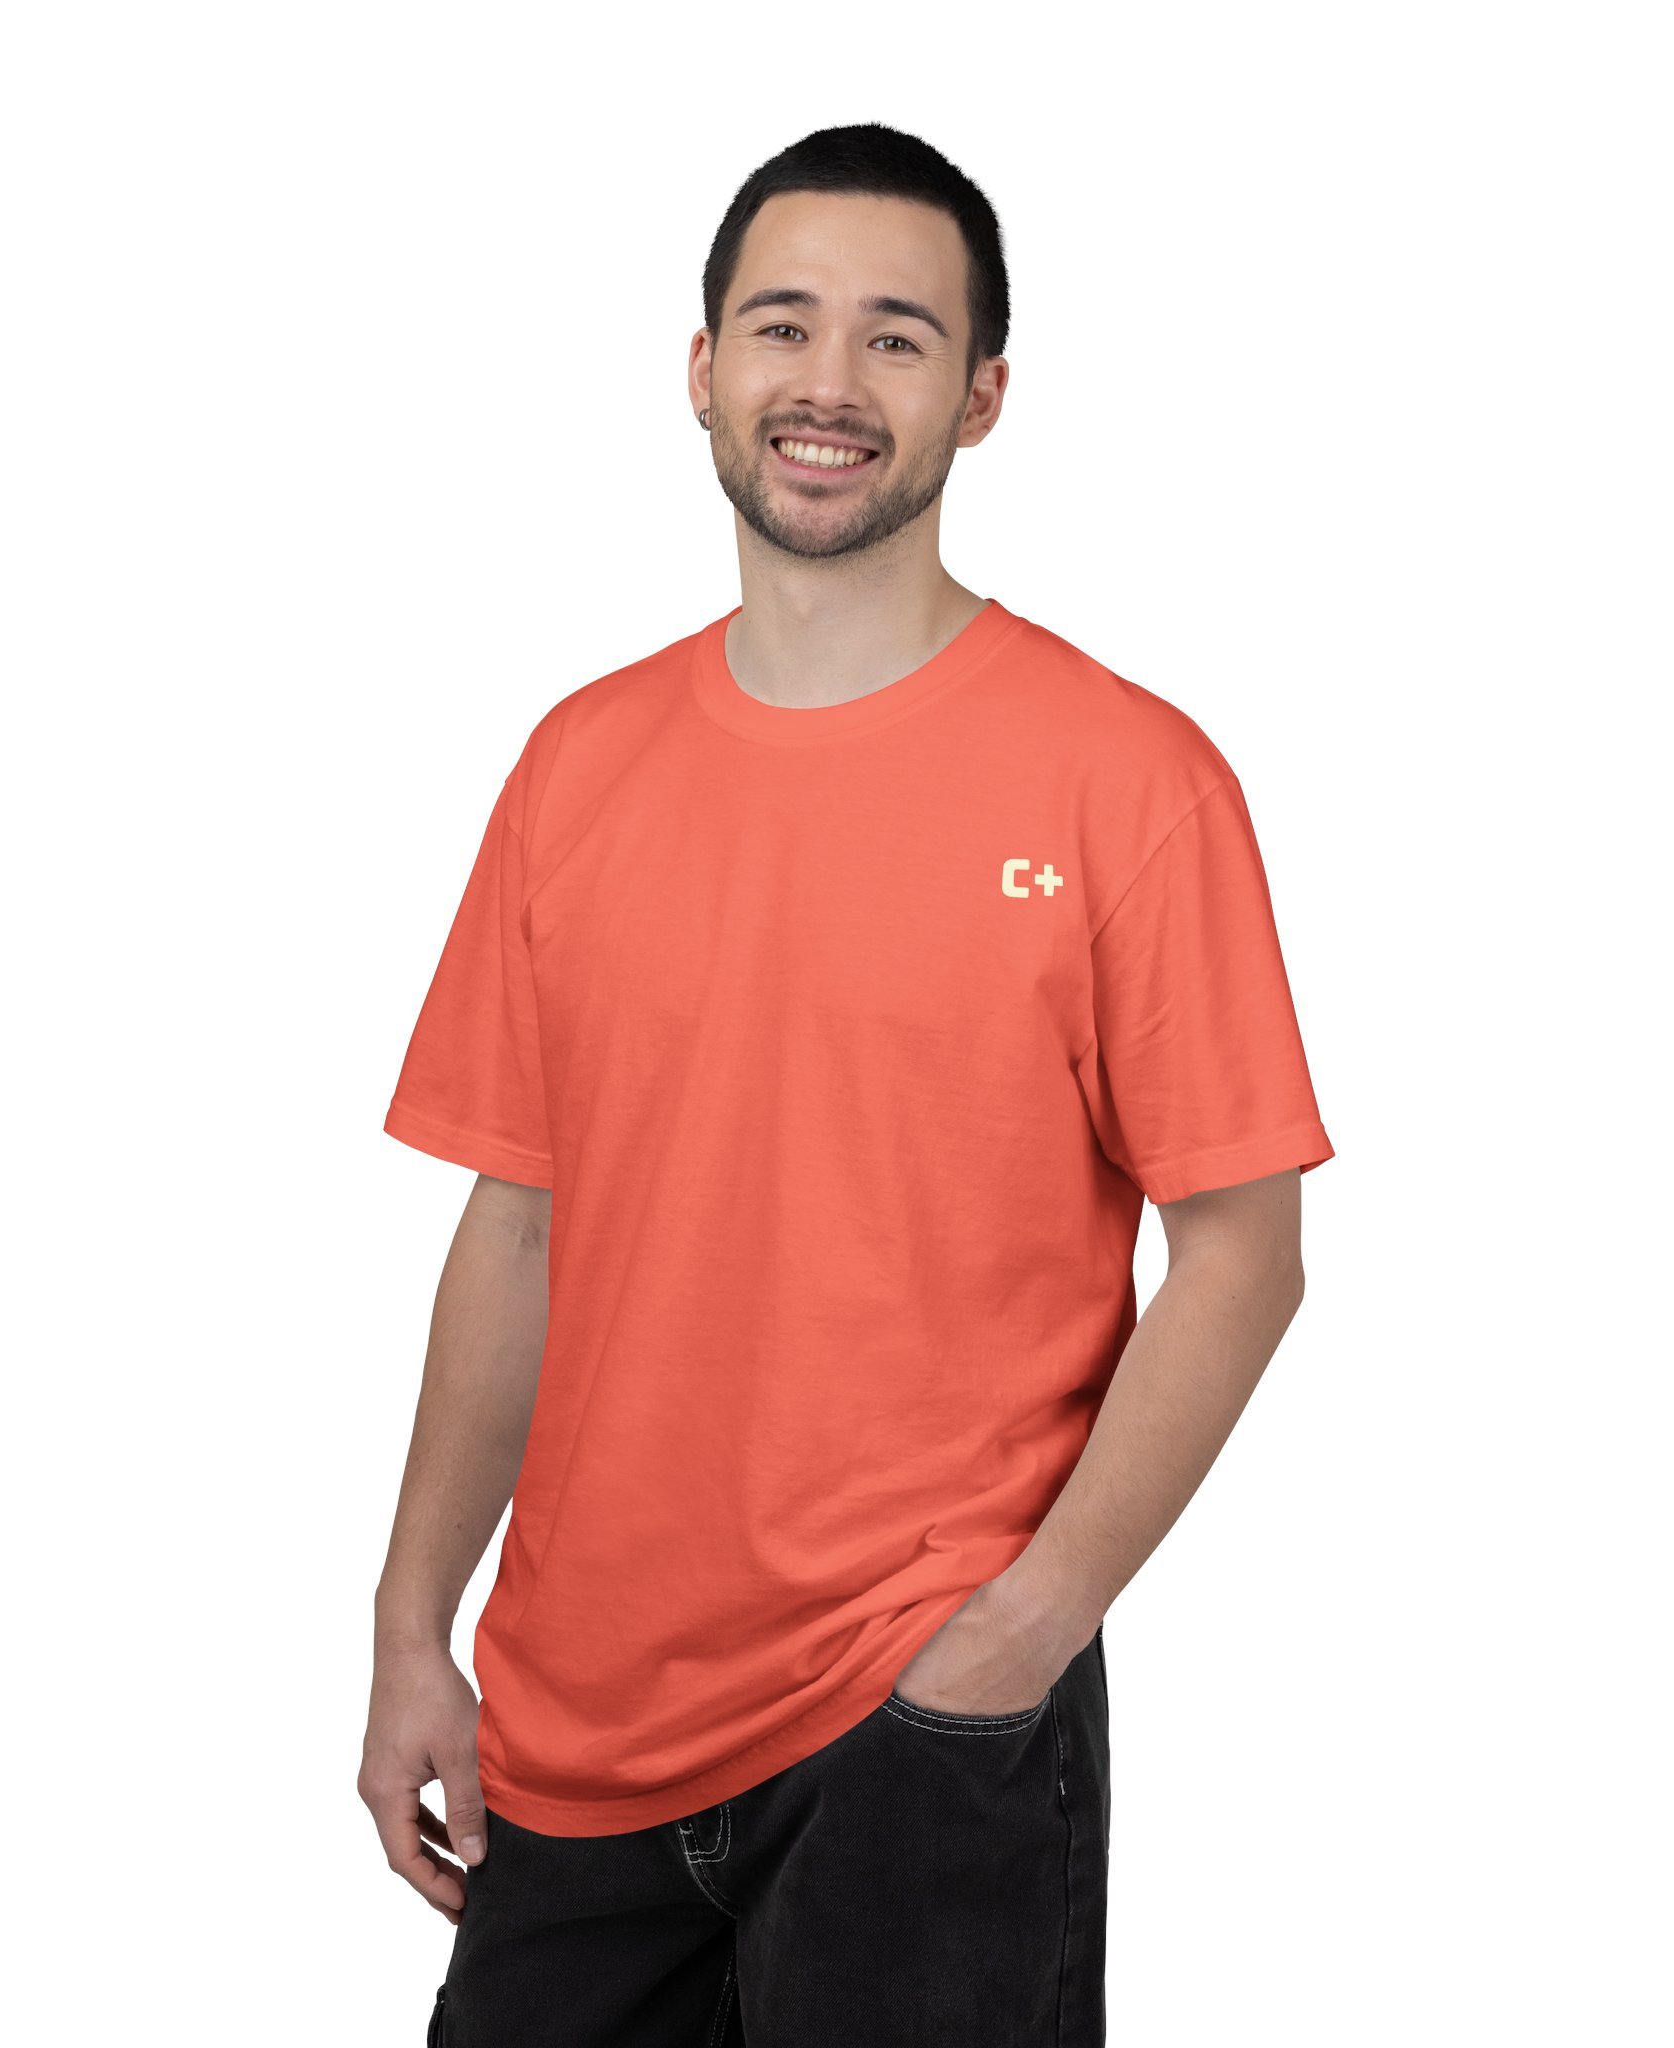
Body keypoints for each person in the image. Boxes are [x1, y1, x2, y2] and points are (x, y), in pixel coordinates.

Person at [359, 121, 1333, 2047]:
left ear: (983, 396)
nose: (828, 382)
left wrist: (1025, 1632)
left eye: (898, 337)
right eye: (782, 325)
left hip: (922, 1725)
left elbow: (1244, 1252)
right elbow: (520, 1222)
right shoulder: (579, 765)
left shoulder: (1128, 779)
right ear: (701, 367)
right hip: (574, 1725)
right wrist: (410, 1627)